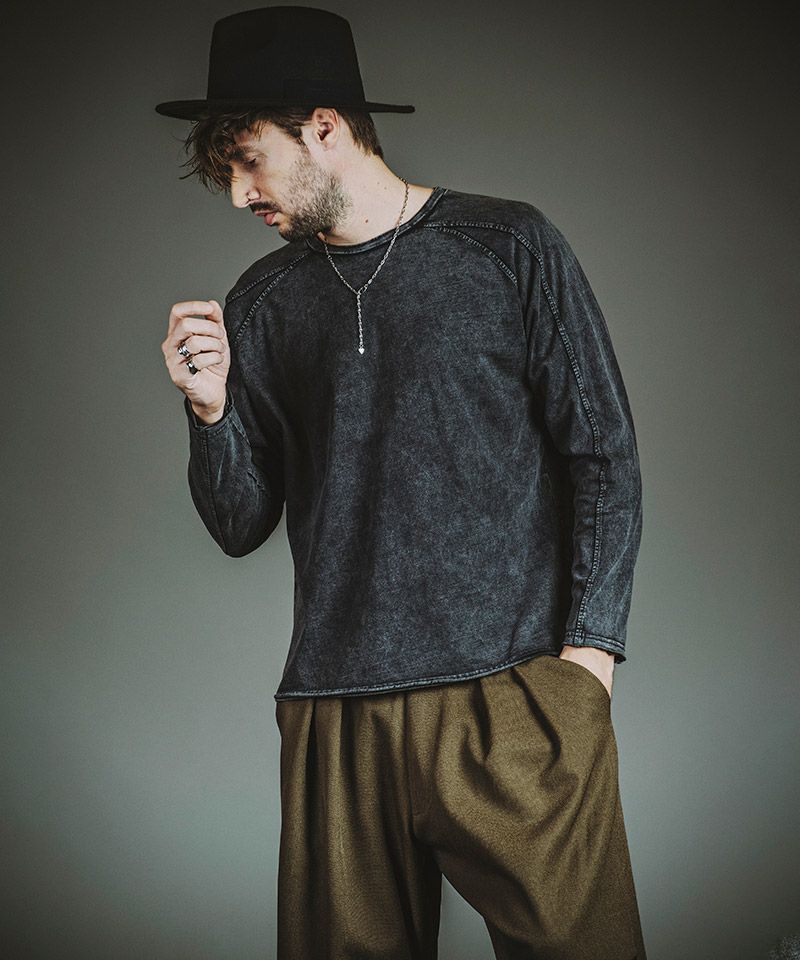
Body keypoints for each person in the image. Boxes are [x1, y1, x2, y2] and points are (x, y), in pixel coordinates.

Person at [156, 7, 647, 959]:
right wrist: (209, 410)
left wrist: (589, 655)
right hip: (335, 706)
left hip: (508, 693)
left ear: (325, 127)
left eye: (250, 160)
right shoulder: (263, 301)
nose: (239, 193)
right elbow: (238, 523)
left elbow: (603, 456)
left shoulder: (507, 246)